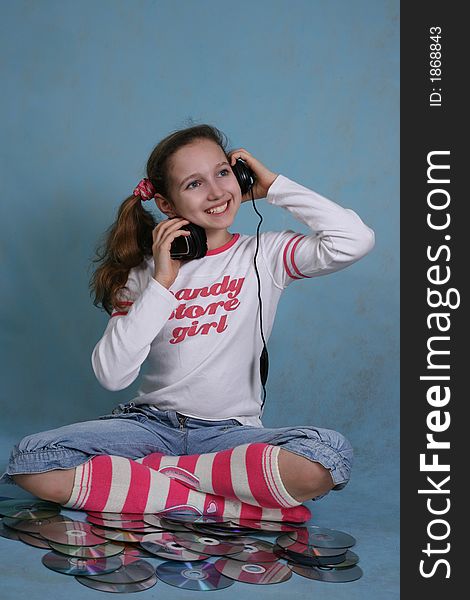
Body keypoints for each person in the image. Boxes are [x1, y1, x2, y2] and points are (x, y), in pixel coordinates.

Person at [1, 124, 375, 522]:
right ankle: (217, 504)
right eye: (195, 184)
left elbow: (354, 240)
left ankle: (155, 480)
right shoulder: (145, 274)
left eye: (223, 173)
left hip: (230, 434)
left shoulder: (264, 255)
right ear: (165, 203)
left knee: (325, 457)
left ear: (241, 175)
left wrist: (275, 187)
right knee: (32, 461)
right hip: (150, 428)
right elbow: (112, 375)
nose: (216, 192)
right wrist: (162, 282)